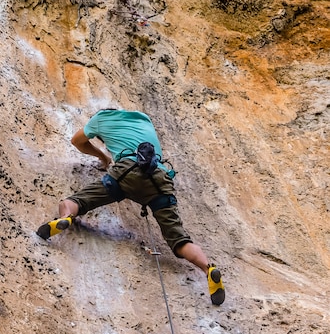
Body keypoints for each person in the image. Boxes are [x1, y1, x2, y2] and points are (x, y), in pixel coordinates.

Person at [37, 109, 225, 305]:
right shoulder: (144, 118)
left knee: (74, 202)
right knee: (179, 239)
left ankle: (65, 217)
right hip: (160, 178)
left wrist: (103, 158)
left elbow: (77, 141)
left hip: (125, 173)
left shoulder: (100, 119)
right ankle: (208, 269)